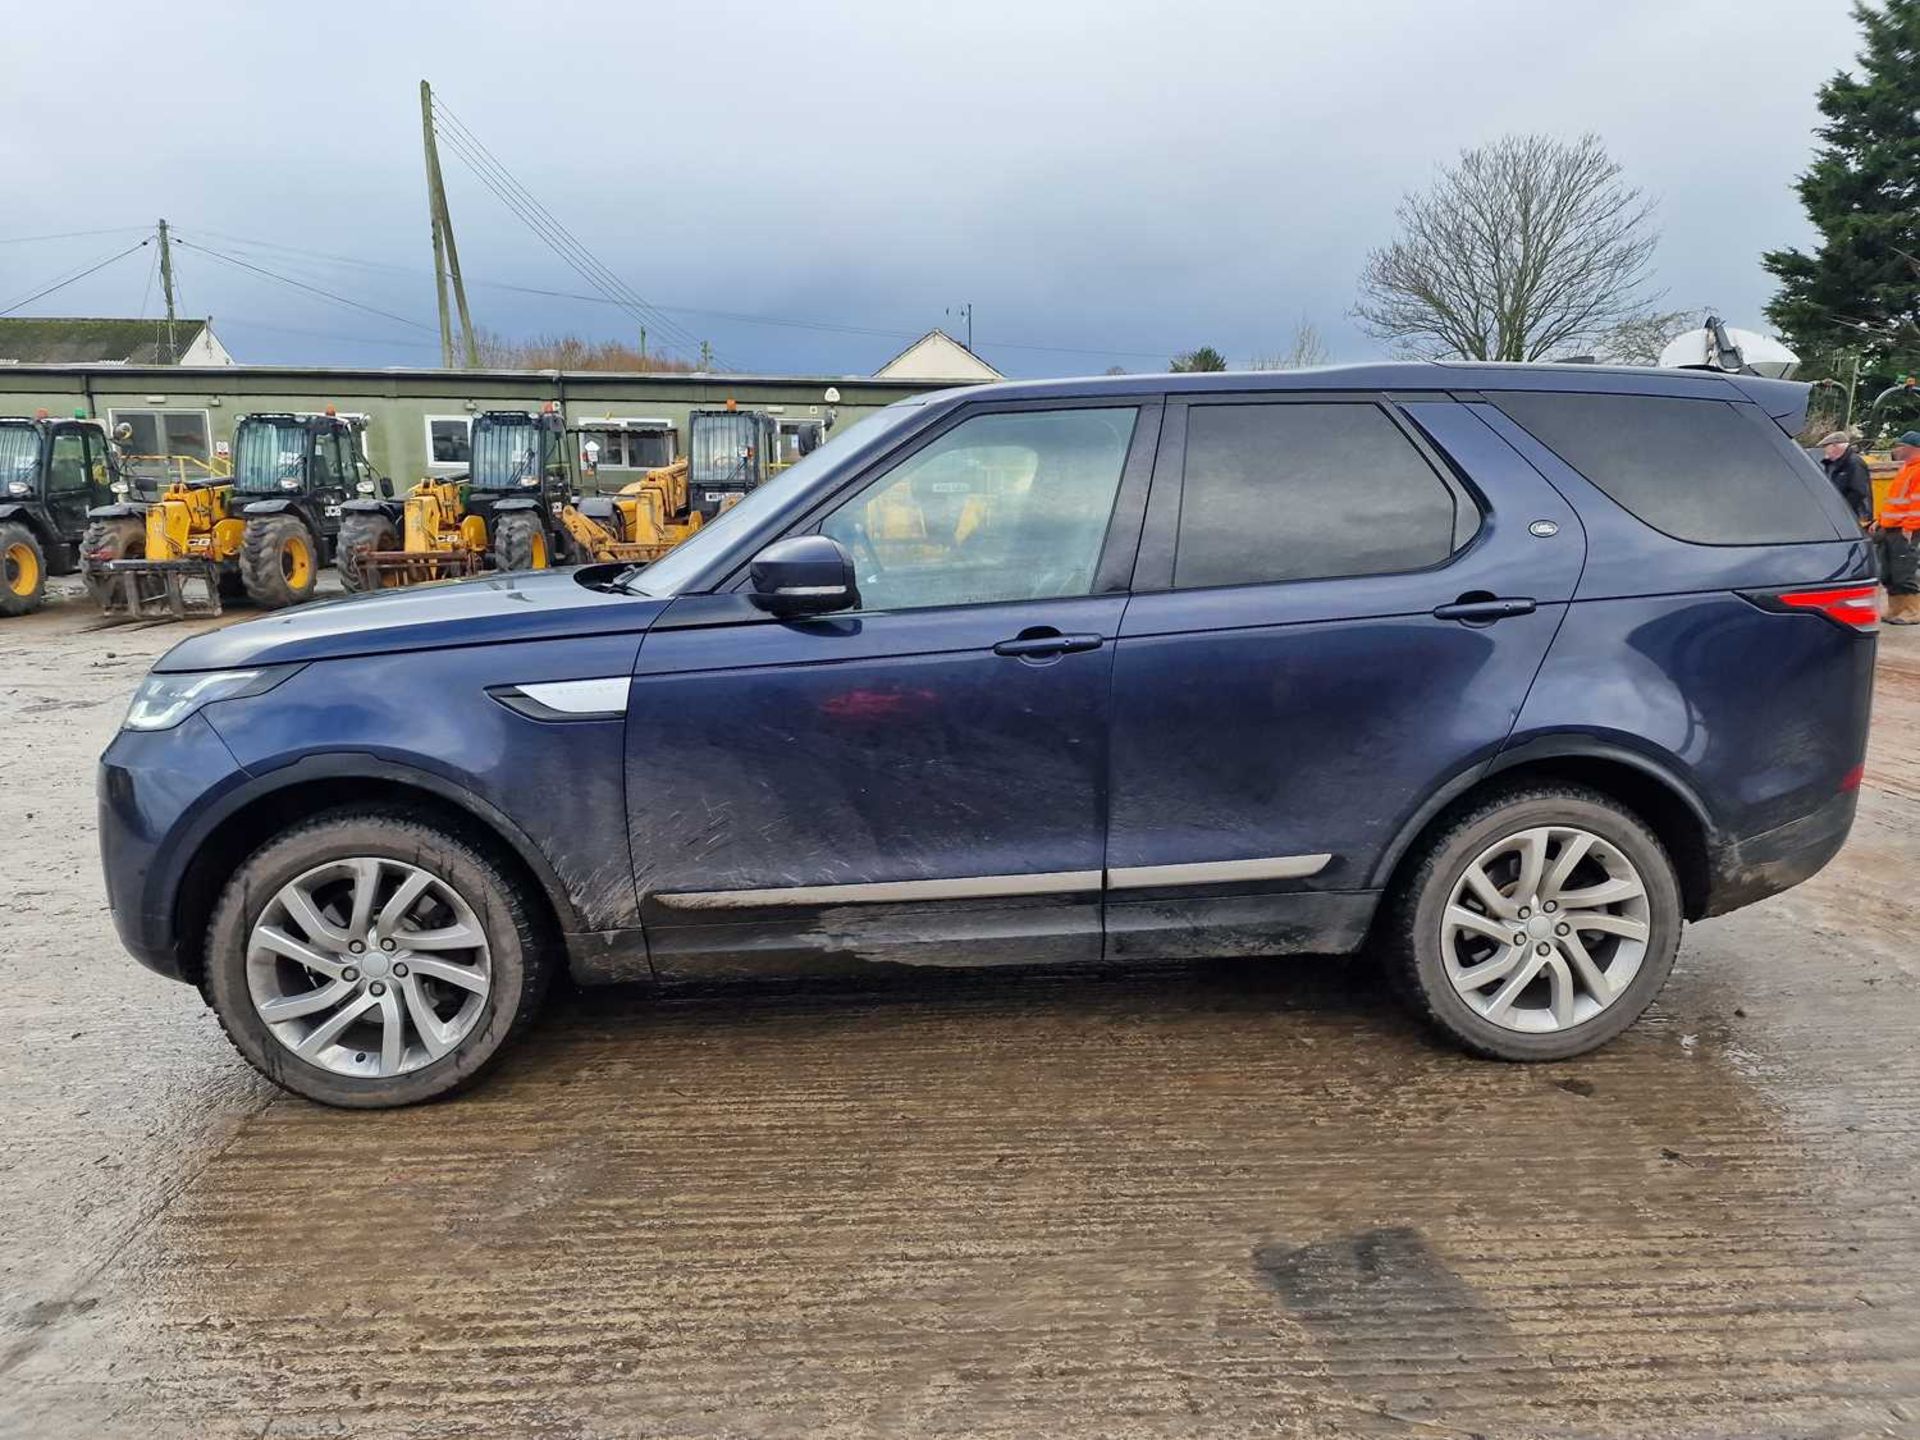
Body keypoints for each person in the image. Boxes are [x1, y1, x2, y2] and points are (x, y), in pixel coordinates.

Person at [1878, 430, 1920, 624]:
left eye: (1900, 445)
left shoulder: (1918, 470)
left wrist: (1910, 527)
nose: (1896, 449)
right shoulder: (1906, 468)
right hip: (1891, 528)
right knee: (1889, 572)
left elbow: (1917, 504)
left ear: (1911, 448)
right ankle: (1896, 608)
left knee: (1904, 570)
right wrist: (1880, 521)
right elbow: (1894, 502)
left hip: (1906, 530)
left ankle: (1913, 610)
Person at [1818, 431, 1874, 525]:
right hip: (1844, 515)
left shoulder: (1854, 463)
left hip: (1855, 516)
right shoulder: (1833, 464)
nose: (1824, 451)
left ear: (1835, 446)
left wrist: (1840, 509)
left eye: (1826, 447)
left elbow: (1859, 491)